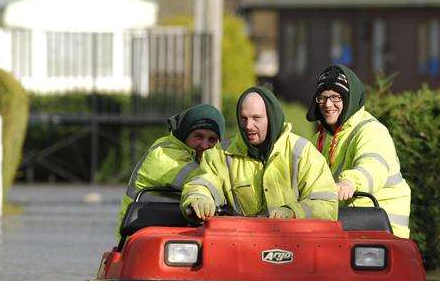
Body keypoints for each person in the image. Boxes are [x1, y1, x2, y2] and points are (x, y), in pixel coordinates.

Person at [181, 86, 338, 220]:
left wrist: (292, 212)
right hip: (239, 245)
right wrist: (199, 198)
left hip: (295, 246)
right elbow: (201, 184)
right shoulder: (220, 154)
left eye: (256, 118)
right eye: (243, 119)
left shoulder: (302, 152)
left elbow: (326, 205)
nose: (248, 125)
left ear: (272, 118)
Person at [305, 65, 411, 238]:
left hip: (381, 234)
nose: (328, 104)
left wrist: (349, 183)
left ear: (349, 99)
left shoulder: (371, 131)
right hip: (345, 230)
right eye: (322, 97)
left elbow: (372, 166)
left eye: (335, 97)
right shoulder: (321, 139)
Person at [115, 103, 225, 237]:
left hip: (172, 232)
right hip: (138, 236)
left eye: (212, 139)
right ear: (185, 135)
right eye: (198, 136)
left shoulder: (199, 157)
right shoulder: (163, 154)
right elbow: (202, 181)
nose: (204, 145)